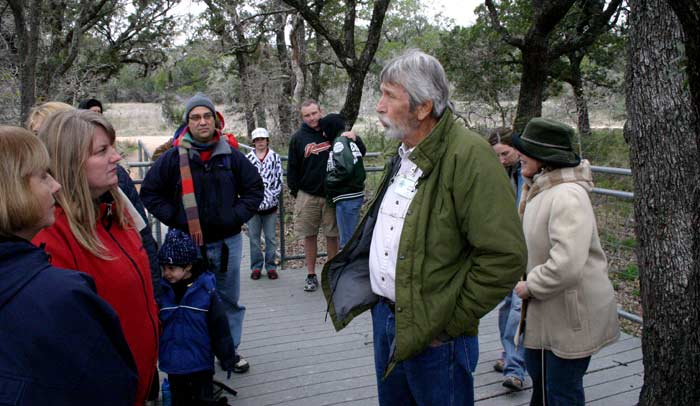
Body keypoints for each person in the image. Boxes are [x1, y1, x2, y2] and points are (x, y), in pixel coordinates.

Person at [322, 50, 527, 405]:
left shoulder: (469, 156)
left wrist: (448, 323)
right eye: (380, 94)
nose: (379, 106)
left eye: (389, 95)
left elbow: (504, 256)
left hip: (438, 338)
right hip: (389, 319)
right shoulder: (406, 153)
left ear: (422, 107)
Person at [0, 126, 138, 405]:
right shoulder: (59, 293)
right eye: (42, 176)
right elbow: (108, 386)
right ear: (12, 190)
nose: (55, 185)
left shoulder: (117, 210)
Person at [32, 110, 159, 405]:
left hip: (142, 380)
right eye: (102, 151)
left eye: (112, 147)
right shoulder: (52, 237)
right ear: (71, 162)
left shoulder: (116, 210)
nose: (116, 157)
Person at [140, 92, 264, 374]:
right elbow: (150, 192)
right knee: (190, 299)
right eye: (195, 117)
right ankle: (198, 351)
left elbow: (255, 189)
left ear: (215, 119)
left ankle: (229, 352)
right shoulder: (173, 158)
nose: (202, 121)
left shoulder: (230, 155)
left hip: (227, 243)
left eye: (207, 116)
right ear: (188, 122)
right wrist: (177, 218)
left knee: (228, 298)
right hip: (188, 246)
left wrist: (234, 217)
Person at [512, 118, 620, 406]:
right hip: (548, 314)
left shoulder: (567, 196)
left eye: (525, 150)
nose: (518, 154)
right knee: (545, 389)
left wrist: (529, 286)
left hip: (571, 316)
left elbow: (567, 264)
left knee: (561, 393)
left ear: (545, 159)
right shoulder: (541, 189)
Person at [157, 229, 238, 406]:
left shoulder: (206, 293)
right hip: (174, 363)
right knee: (180, 400)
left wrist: (227, 356)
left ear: (188, 266)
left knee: (204, 399)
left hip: (200, 362)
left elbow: (220, 328)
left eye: (171, 268)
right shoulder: (162, 294)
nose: (166, 273)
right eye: (163, 268)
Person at [487, 127, 527, 391]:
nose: (501, 160)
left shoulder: (529, 174)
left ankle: (516, 370)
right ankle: (507, 354)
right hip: (503, 250)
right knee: (505, 305)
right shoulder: (500, 174)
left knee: (517, 309)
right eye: (496, 156)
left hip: (525, 251)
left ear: (517, 149)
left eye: (505, 154)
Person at [287, 100, 339, 292]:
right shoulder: (298, 138)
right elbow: (292, 168)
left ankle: (332, 274)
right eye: (307, 115)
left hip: (331, 195)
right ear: (302, 117)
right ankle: (311, 275)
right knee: (309, 236)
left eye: (314, 113)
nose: (312, 118)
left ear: (320, 111)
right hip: (307, 195)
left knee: (332, 235)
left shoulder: (331, 132)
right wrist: (295, 191)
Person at [320, 113, 366, 249]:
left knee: (347, 241)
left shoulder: (339, 142)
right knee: (348, 237)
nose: (323, 134)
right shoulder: (348, 140)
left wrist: (328, 182)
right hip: (350, 195)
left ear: (331, 128)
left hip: (347, 196)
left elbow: (345, 168)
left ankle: (349, 269)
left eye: (324, 129)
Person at [245, 127, 283, 280]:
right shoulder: (248, 159)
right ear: (253, 142)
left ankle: (271, 266)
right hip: (253, 207)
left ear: (267, 140)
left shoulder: (274, 157)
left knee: (270, 238)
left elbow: (279, 179)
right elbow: (244, 180)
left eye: (263, 139)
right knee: (254, 239)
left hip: (270, 206)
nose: (260, 142)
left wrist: (272, 196)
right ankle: (256, 267)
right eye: (257, 140)